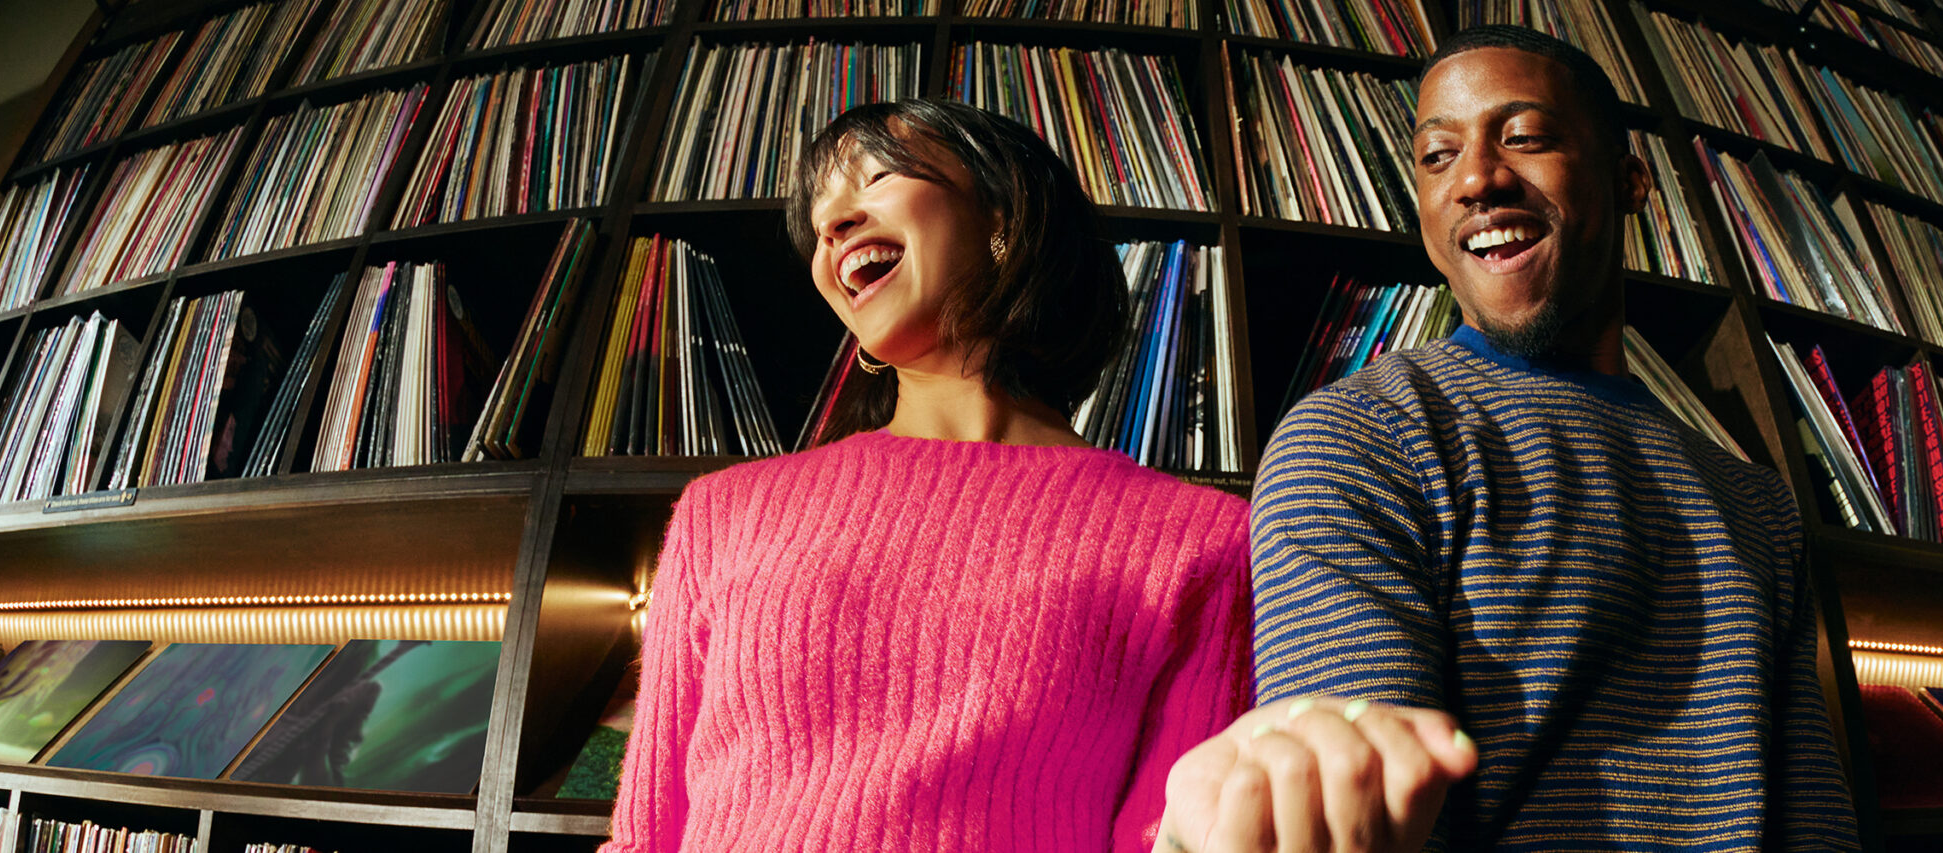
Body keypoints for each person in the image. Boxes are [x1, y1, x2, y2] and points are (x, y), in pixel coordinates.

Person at [1155, 25, 1862, 852]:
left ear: (1631, 183)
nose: (1477, 178)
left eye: (1525, 137)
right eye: (1436, 156)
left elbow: (1817, 820)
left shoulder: (1757, 502)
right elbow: (1359, 815)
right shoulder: (1358, 437)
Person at [600, 98, 1253, 851]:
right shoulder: (722, 512)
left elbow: (1169, 837)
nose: (833, 227)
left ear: (1004, 216)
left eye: (874, 178)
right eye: (819, 224)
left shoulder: (1204, 541)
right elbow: (645, 833)